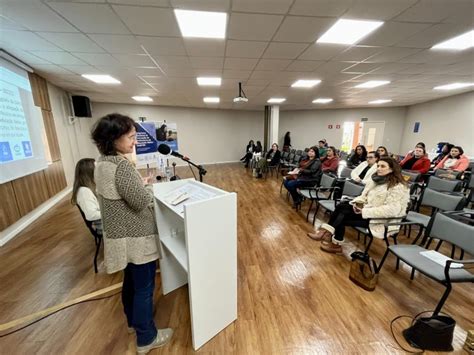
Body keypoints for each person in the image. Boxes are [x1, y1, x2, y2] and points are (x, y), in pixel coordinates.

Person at [91, 113, 173, 354]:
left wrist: (139, 182)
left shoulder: (102, 163)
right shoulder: (122, 166)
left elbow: (122, 196)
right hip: (136, 237)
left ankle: (133, 322)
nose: (134, 142)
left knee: (131, 283)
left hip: (119, 237)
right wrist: (147, 187)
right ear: (113, 138)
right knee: (144, 288)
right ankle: (147, 337)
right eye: (130, 137)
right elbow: (139, 201)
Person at [309, 157, 409, 254]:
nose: (378, 168)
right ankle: (328, 235)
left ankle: (330, 237)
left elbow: (392, 210)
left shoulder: (398, 187)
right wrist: (357, 204)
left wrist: (365, 211)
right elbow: (363, 196)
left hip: (379, 219)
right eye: (378, 166)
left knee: (341, 217)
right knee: (342, 206)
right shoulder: (375, 180)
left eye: (383, 166)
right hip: (366, 211)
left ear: (392, 169)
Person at [71, 158, 102, 231]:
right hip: (101, 224)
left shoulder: (88, 187)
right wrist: (112, 213)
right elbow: (91, 215)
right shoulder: (84, 192)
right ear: (89, 172)